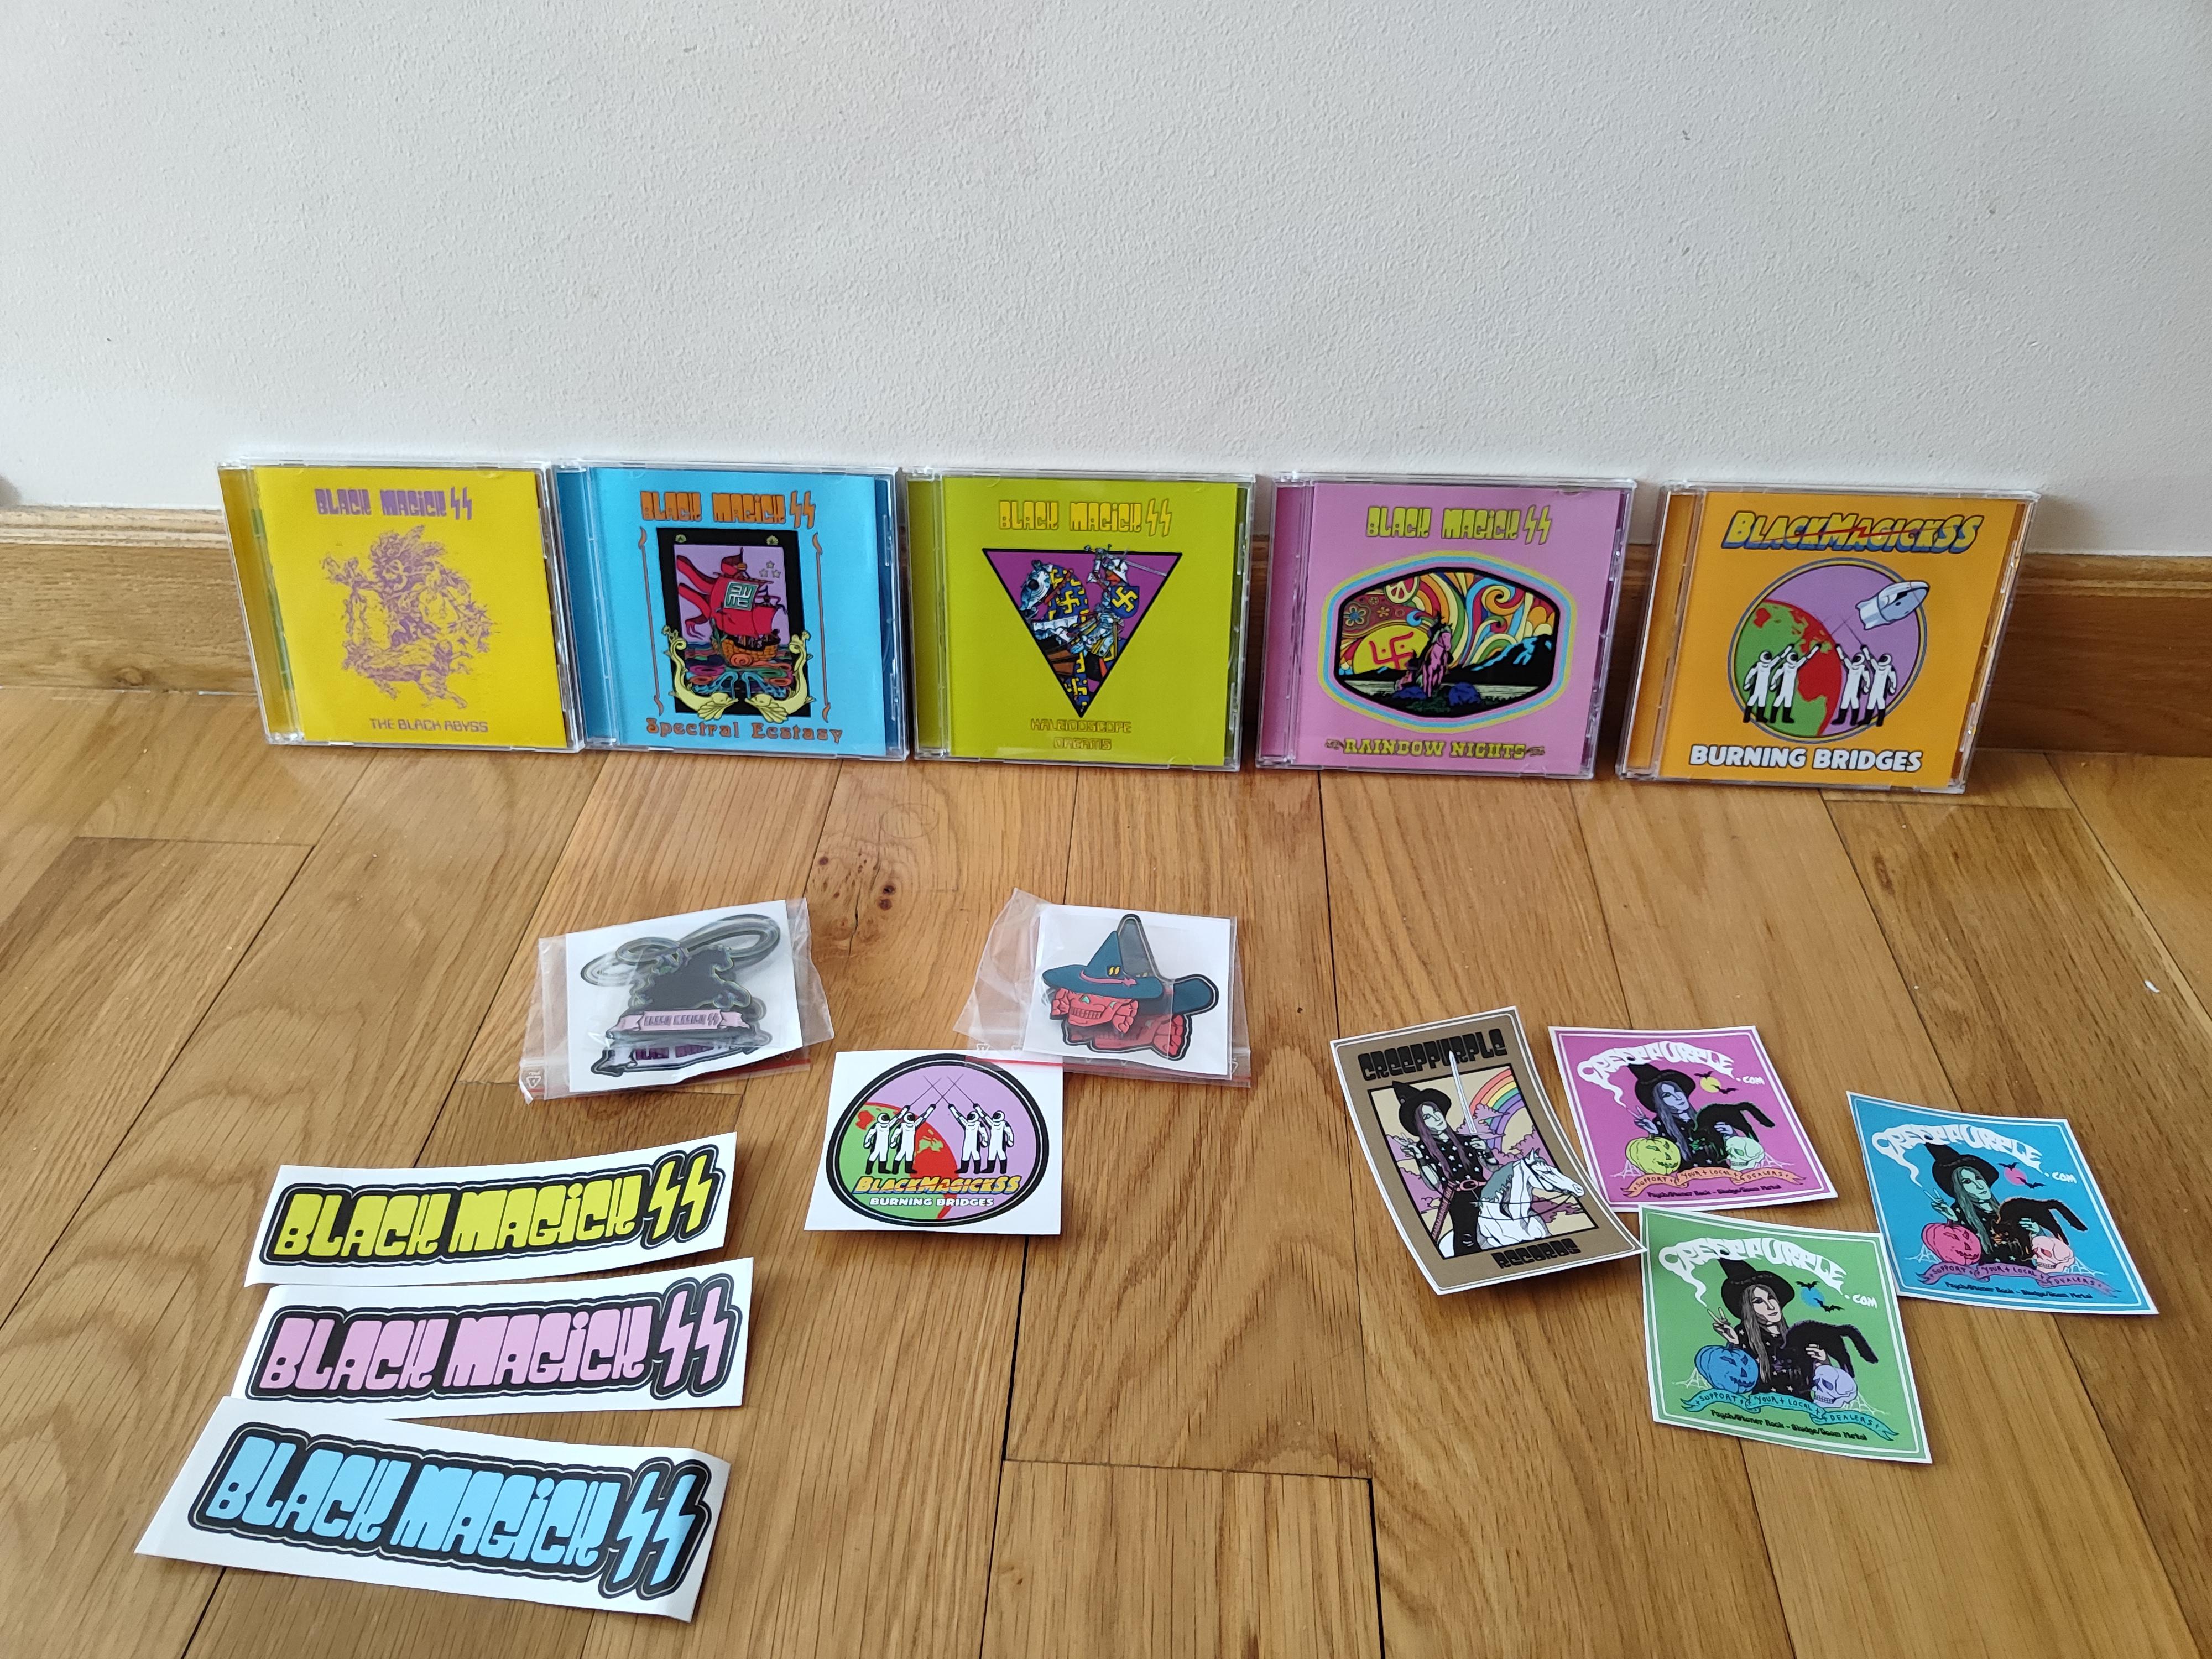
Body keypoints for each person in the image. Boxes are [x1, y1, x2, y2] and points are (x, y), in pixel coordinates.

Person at [1390, 1082, 1488, 1257]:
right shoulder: (1425, 1149)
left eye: (1436, 1111)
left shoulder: (1467, 1141)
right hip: (1461, 1199)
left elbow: (1494, 1168)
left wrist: (1485, 1151)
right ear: (1421, 1125)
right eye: (1428, 1117)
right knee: (1466, 1239)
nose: (1436, 1118)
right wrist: (1419, 1158)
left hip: (1487, 1191)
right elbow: (1434, 1184)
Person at [1927, 1144, 2028, 1265]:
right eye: (1968, 1182)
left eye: (1978, 1178)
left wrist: (2036, 1232)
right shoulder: (1960, 1213)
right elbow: (1967, 1248)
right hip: (1991, 1272)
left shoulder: (2006, 1210)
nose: (1979, 1186)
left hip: (2026, 1271)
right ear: (1960, 1189)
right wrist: (1954, 1220)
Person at [1628, 1064, 1703, 1170]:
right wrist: (1655, 1133)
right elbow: (1668, 1159)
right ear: (1660, 1102)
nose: (1678, 1097)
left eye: (1677, 1090)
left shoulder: (1704, 1118)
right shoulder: (1661, 1126)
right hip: (1688, 1177)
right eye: (1667, 1095)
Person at [1741, 650, 1777, 721]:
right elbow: (1750, 675)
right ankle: (1746, 717)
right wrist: (1747, 683)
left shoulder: (1769, 665)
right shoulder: (1758, 665)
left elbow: (1778, 659)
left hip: (1764, 687)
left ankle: (1760, 717)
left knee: (1762, 702)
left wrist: (1787, 650)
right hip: (1756, 687)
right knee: (1752, 701)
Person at [1865, 652, 1898, 724]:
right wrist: (1865, 651)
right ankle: (1867, 720)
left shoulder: (1890, 669)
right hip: (1874, 690)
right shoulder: (1878, 667)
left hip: (1882, 691)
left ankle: (1880, 721)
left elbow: (1893, 680)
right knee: (1870, 705)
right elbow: (1871, 660)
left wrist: (1892, 688)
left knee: (1881, 705)